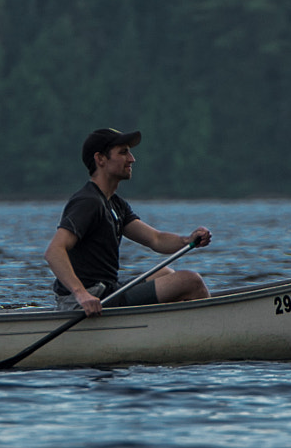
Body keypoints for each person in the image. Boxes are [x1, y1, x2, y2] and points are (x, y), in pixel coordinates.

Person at [46, 127, 211, 314]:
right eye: (123, 153)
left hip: (107, 291)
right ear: (100, 159)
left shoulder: (115, 204)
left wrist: (187, 240)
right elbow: (54, 252)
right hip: (87, 300)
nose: (132, 159)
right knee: (190, 281)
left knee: (165, 273)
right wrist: (81, 294)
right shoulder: (88, 202)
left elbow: (155, 239)